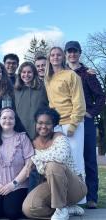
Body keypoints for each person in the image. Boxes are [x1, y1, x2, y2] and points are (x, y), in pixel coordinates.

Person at [22, 107, 87, 220]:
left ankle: (60, 209)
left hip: (74, 187)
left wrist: (34, 159)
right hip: (50, 185)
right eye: (40, 123)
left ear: (54, 125)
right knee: (28, 209)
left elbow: (60, 157)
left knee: (53, 165)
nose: (43, 126)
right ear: (36, 124)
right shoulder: (32, 143)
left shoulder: (60, 138)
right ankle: (67, 210)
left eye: (48, 123)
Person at [65, 41, 106, 209]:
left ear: (79, 53)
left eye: (75, 51)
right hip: (67, 120)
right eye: (69, 51)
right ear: (66, 53)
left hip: (85, 120)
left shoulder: (88, 74)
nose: (72, 54)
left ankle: (91, 197)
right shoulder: (61, 73)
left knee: (89, 158)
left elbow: (101, 97)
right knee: (69, 159)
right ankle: (71, 196)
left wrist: (91, 112)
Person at [44, 47, 86, 200]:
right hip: (56, 125)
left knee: (75, 161)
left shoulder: (71, 75)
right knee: (60, 162)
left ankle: (80, 199)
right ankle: (65, 199)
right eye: (52, 55)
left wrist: (74, 124)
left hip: (71, 123)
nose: (55, 57)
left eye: (58, 55)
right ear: (49, 58)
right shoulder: (48, 78)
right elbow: (51, 103)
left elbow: (79, 101)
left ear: (63, 57)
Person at [0, 107, 34, 220]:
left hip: (17, 185)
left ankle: (8, 205)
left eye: (11, 118)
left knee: (12, 214)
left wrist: (14, 184)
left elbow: (29, 162)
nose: (7, 121)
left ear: (15, 120)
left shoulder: (22, 137)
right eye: (4, 118)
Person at [14, 61, 48, 140]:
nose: (26, 75)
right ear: (20, 74)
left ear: (34, 74)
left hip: (39, 130)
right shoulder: (16, 90)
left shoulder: (42, 88)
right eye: (23, 72)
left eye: (29, 72)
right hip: (20, 131)